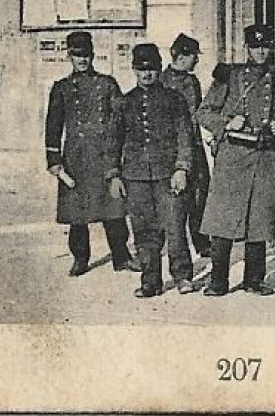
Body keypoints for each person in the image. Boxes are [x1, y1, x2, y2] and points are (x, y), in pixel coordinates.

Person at [196, 23, 275, 296]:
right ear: (247, 48)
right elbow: (203, 112)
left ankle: (254, 279)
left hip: (265, 155)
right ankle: (218, 280)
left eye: (265, 47)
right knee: (223, 219)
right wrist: (227, 123)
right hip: (232, 155)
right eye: (255, 47)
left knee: (259, 219)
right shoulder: (229, 76)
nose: (260, 52)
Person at [45, 30, 134, 276]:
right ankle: (80, 258)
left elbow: (120, 118)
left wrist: (121, 152)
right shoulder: (61, 88)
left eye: (86, 55)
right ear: (69, 56)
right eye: (77, 55)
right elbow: (53, 126)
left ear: (93, 55)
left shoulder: (107, 84)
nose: (82, 60)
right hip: (76, 156)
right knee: (77, 213)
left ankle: (121, 256)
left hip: (105, 155)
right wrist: (54, 160)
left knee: (113, 209)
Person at [111, 43, 197, 297]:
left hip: (167, 174)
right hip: (135, 177)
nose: (147, 75)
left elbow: (185, 136)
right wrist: (114, 174)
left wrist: (182, 168)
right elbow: (113, 142)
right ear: (134, 70)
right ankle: (150, 281)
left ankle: (182, 276)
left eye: (152, 69)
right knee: (143, 230)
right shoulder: (125, 102)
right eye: (141, 69)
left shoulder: (174, 99)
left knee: (174, 226)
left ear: (159, 70)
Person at [161, 33, 211, 261]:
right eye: (194, 56)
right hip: (172, 149)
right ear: (182, 56)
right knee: (173, 197)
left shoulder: (193, 82)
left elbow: (198, 113)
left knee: (200, 195)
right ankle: (167, 242)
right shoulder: (161, 81)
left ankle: (201, 241)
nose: (197, 61)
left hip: (195, 144)